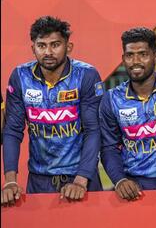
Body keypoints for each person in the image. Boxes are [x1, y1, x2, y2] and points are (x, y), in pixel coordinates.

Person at [2, 16, 103, 207]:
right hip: (39, 180)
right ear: (33, 49)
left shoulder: (87, 75)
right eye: (41, 45)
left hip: (82, 179)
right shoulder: (20, 76)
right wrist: (10, 180)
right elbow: (13, 131)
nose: (48, 52)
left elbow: (93, 130)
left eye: (55, 44)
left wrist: (81, 180)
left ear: (68, 47)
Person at [99, 28, 156, 201]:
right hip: (133, 187)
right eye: (129, 55)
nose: (135, 61)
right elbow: (108, 147)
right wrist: (120, 181)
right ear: (123, 59)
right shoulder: (112, 99)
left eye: (143, 54)